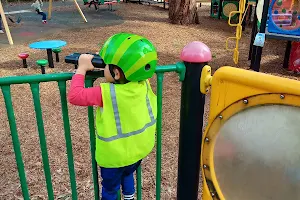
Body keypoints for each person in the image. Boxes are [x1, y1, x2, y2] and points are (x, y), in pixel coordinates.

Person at [68, 32, 158, 200]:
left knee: (110, 189)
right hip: (138, 151)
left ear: (116, 73)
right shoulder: (143, 84)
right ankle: (130, 197)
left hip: (114, 157)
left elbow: (75, 96)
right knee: (127, 175)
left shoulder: (107, 93)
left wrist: (81, 69)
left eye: (106, 65)